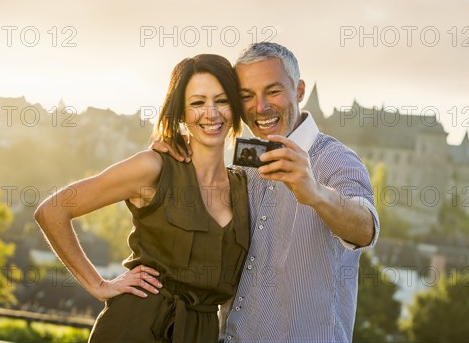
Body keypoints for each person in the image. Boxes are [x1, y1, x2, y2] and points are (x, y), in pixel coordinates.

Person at [155, 42, 380, 342]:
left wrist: (314, 192)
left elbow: (366, 228)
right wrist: (173, 154)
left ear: (299, 91)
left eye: (273, 91)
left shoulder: (335, 159)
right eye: (247, 96)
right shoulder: (244, 163)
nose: (260, 107)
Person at [34, 54, 251, 343]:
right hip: (135, 327)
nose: (210, 113)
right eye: (197, 103)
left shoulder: (245, 186)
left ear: (235, 106)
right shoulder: (154, 167)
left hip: (202, 334)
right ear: (181, 113)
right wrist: (98, 285)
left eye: (221, 100)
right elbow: (52, 210)